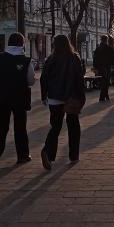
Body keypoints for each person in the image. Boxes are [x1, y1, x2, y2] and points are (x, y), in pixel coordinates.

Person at [0, 32, 35, 168]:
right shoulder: (25, 60)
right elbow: (31, 80)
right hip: (19, 98)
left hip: (0, 97)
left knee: (2, 126)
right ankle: (23, 155)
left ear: (9, 43)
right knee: (20, 126)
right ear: (22, 44)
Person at [40, 35, 86, 170]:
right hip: (71, 97)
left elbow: (43, 78)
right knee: (73, 126)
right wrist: (81, 97)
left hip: (54, 97)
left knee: (55, 126)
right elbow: (79, 79)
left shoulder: (51, 59)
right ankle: (73, 155)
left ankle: (48, 152)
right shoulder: (74, 58)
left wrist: (44, 95)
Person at [92, 35, 114, 102]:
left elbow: (95, 59)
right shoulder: (109, 48)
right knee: (106, 82)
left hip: (100, 68)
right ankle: (103, 96)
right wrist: (113, 65)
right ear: (106, 40)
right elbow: (113, 58)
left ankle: (105, 95)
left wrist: (95, 67)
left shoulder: (98, 48)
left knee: (103, 82)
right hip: (107, 67)